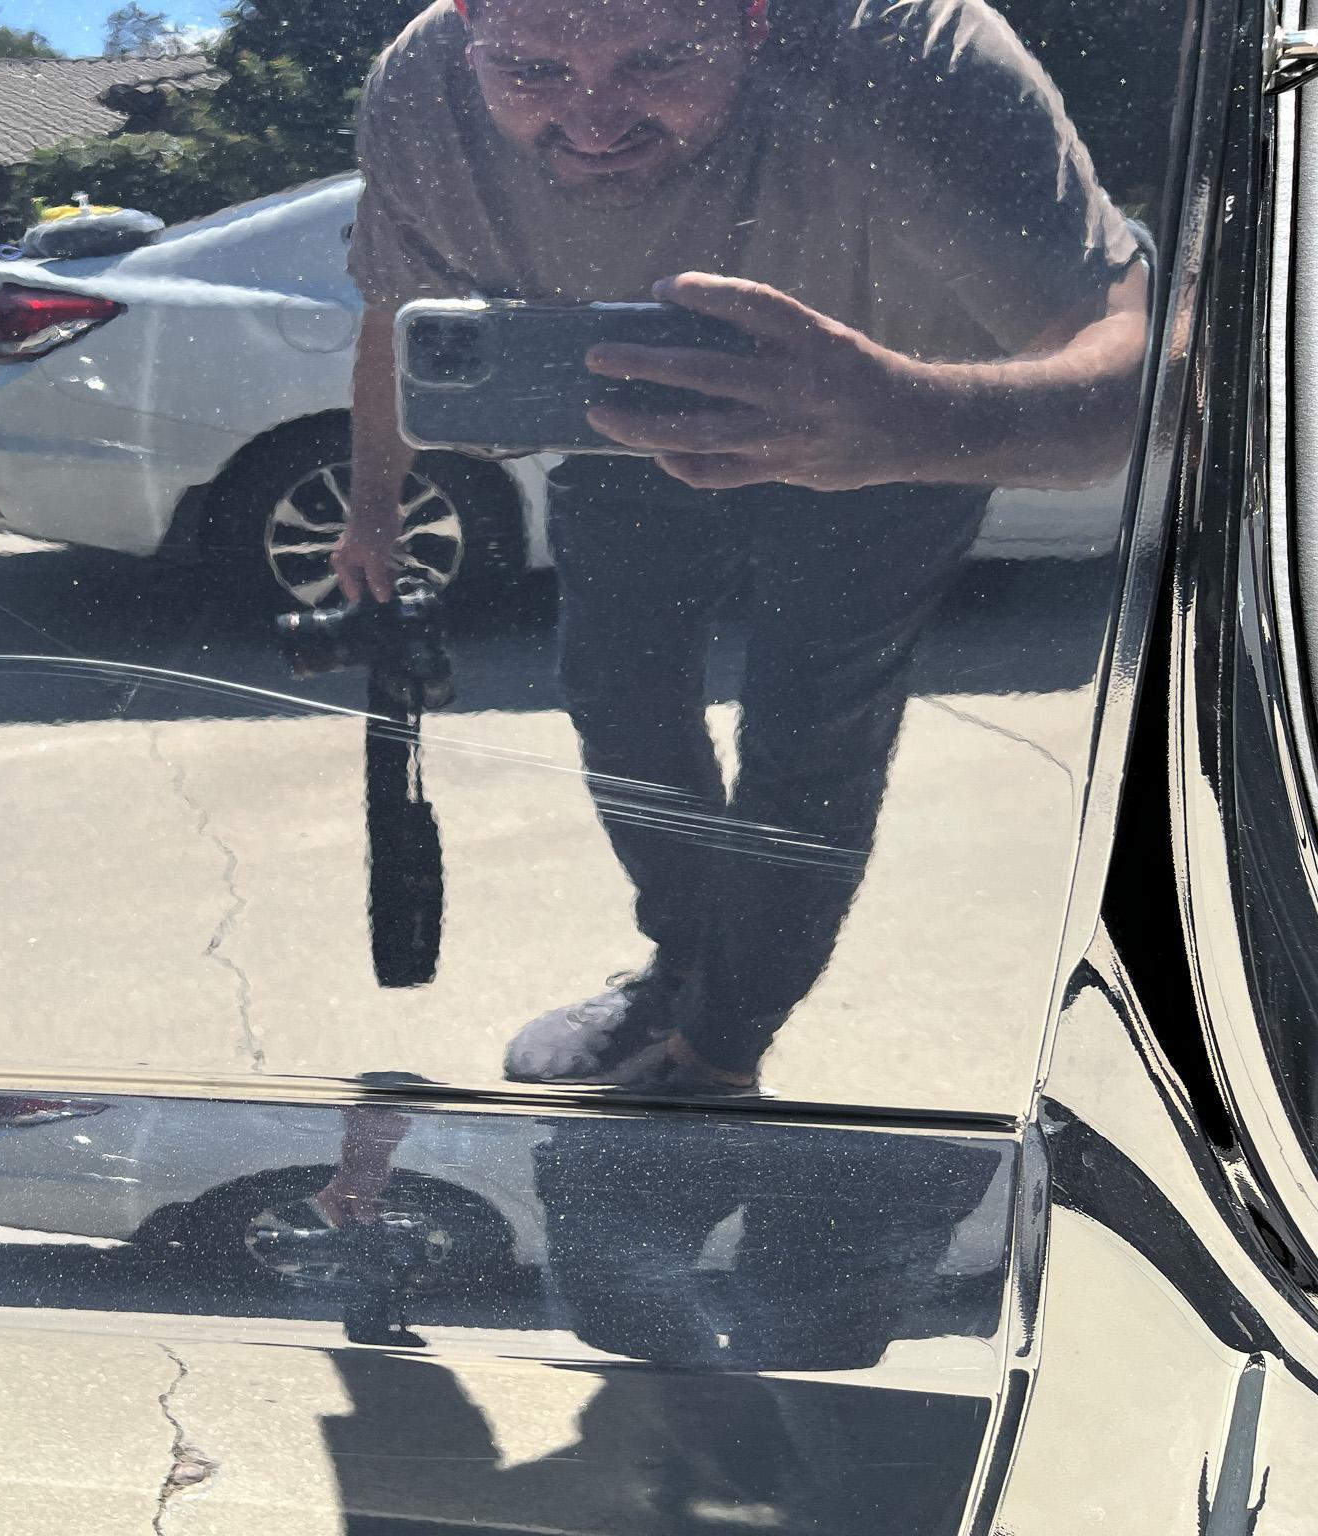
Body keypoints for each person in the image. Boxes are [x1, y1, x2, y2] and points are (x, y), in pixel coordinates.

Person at [332, 0, 1150, 1093]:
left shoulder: (908, 46)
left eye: (657, 59)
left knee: (809, 735)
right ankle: (683, 970)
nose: (592, 121)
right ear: (470, 21)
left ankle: (719, 1051)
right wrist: (372, 508)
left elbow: (1142, 375)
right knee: (618, 699)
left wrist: (909, 417)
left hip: (886, 428)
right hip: (631, 419)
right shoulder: (422, 80)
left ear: (757, 19)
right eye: (531, 69)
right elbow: (391, 310)